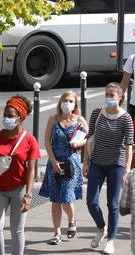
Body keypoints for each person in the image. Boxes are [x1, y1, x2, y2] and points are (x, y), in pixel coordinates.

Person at [0, 95, 40, 255]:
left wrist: (28, 195)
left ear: (20, 118)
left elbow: (31, 170)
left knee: (17, 231)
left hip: (20, 190)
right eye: (5, 115)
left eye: (10, 116)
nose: (6, 119)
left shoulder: (29, 140)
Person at [83, 82, 134, 254]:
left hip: (116, 164)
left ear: (120, 97)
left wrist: (126, 169)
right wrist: (86, 161)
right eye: (107, 94)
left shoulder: (126, 117)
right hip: (97, 162)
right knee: (91, 202)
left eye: (112, 95)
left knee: (112, 204)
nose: (109, 98)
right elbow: (90, 137)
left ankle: (111, 240)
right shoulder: (97, 113)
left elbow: (129, 145)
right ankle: (101, 228)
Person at [39, 91, 89, 245]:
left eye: (71, 101)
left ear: (75, 104)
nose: (67, 103)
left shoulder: (79, 119)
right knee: (55, 199)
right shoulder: (53, 119)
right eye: (65, 100)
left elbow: (87, 138)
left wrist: (80, 146)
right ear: (60, 102)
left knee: (66, 197)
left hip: (71, 164)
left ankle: (72, 219)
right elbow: (47, 141)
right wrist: (53, 161)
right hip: (55, 163)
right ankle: (57, 232)